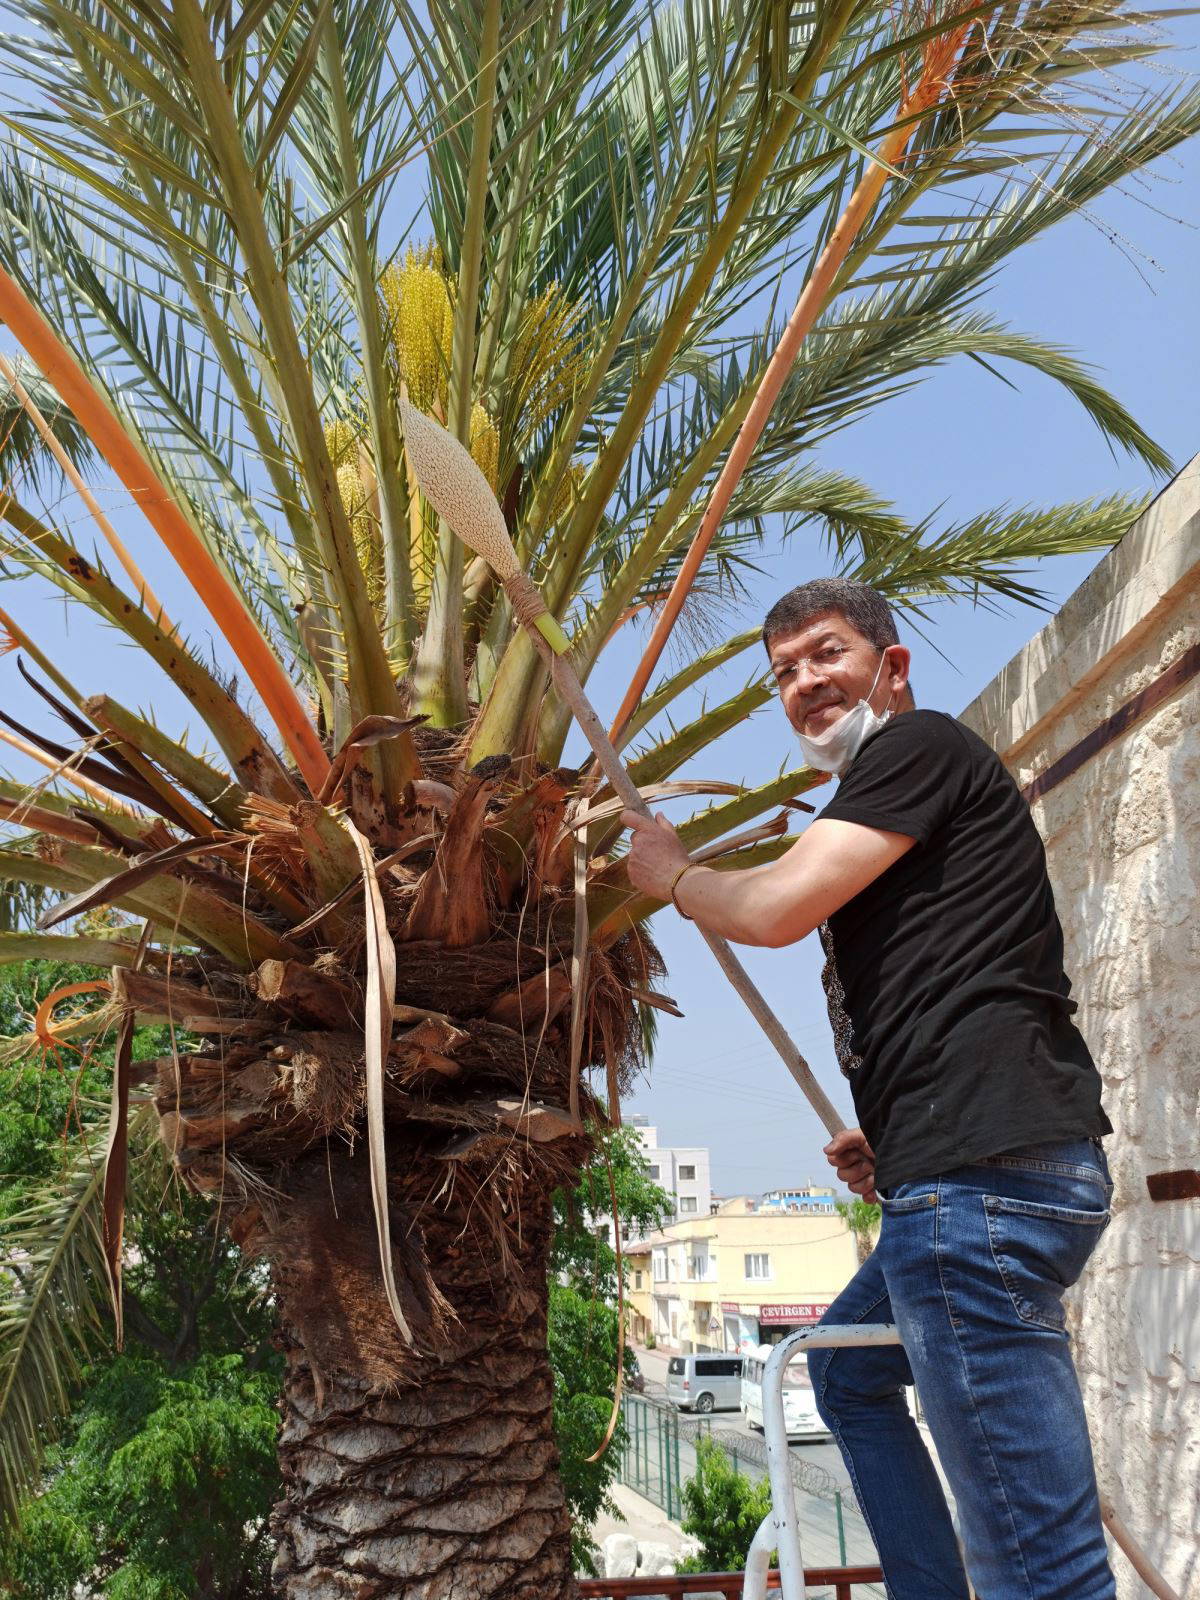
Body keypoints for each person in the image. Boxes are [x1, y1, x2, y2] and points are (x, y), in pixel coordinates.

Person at [622, 577, 1116, 1600]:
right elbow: (957, 986)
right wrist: (891, 1140)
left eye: (827, 653)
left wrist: (673, 876)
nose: (804, 682)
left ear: (890, 666)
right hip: (968, 1175)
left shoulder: (915, 746)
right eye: (784, 671)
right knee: (846, 1373)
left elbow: (773, 906)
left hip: (978, 1191)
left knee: (1040, 1568)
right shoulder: (901, 797)